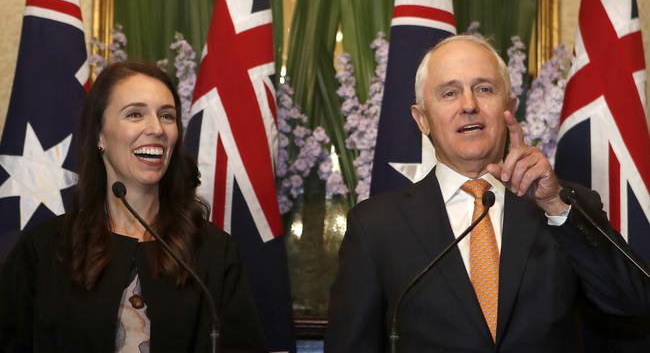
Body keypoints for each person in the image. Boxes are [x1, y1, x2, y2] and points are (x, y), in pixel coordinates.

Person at [325, 35, 650, 352]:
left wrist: (555, 204)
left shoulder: (563, 206)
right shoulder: (375, 226)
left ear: (510, 107)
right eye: (449, 93)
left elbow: (634, 301)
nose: (469, 105)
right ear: (422, 119)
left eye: (484, 89)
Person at [0, 62, 267, 352]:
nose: (156, 129)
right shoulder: (44, 248)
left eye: (167, 116)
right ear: (100, 135)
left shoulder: (214, 251)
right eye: (135, 114)